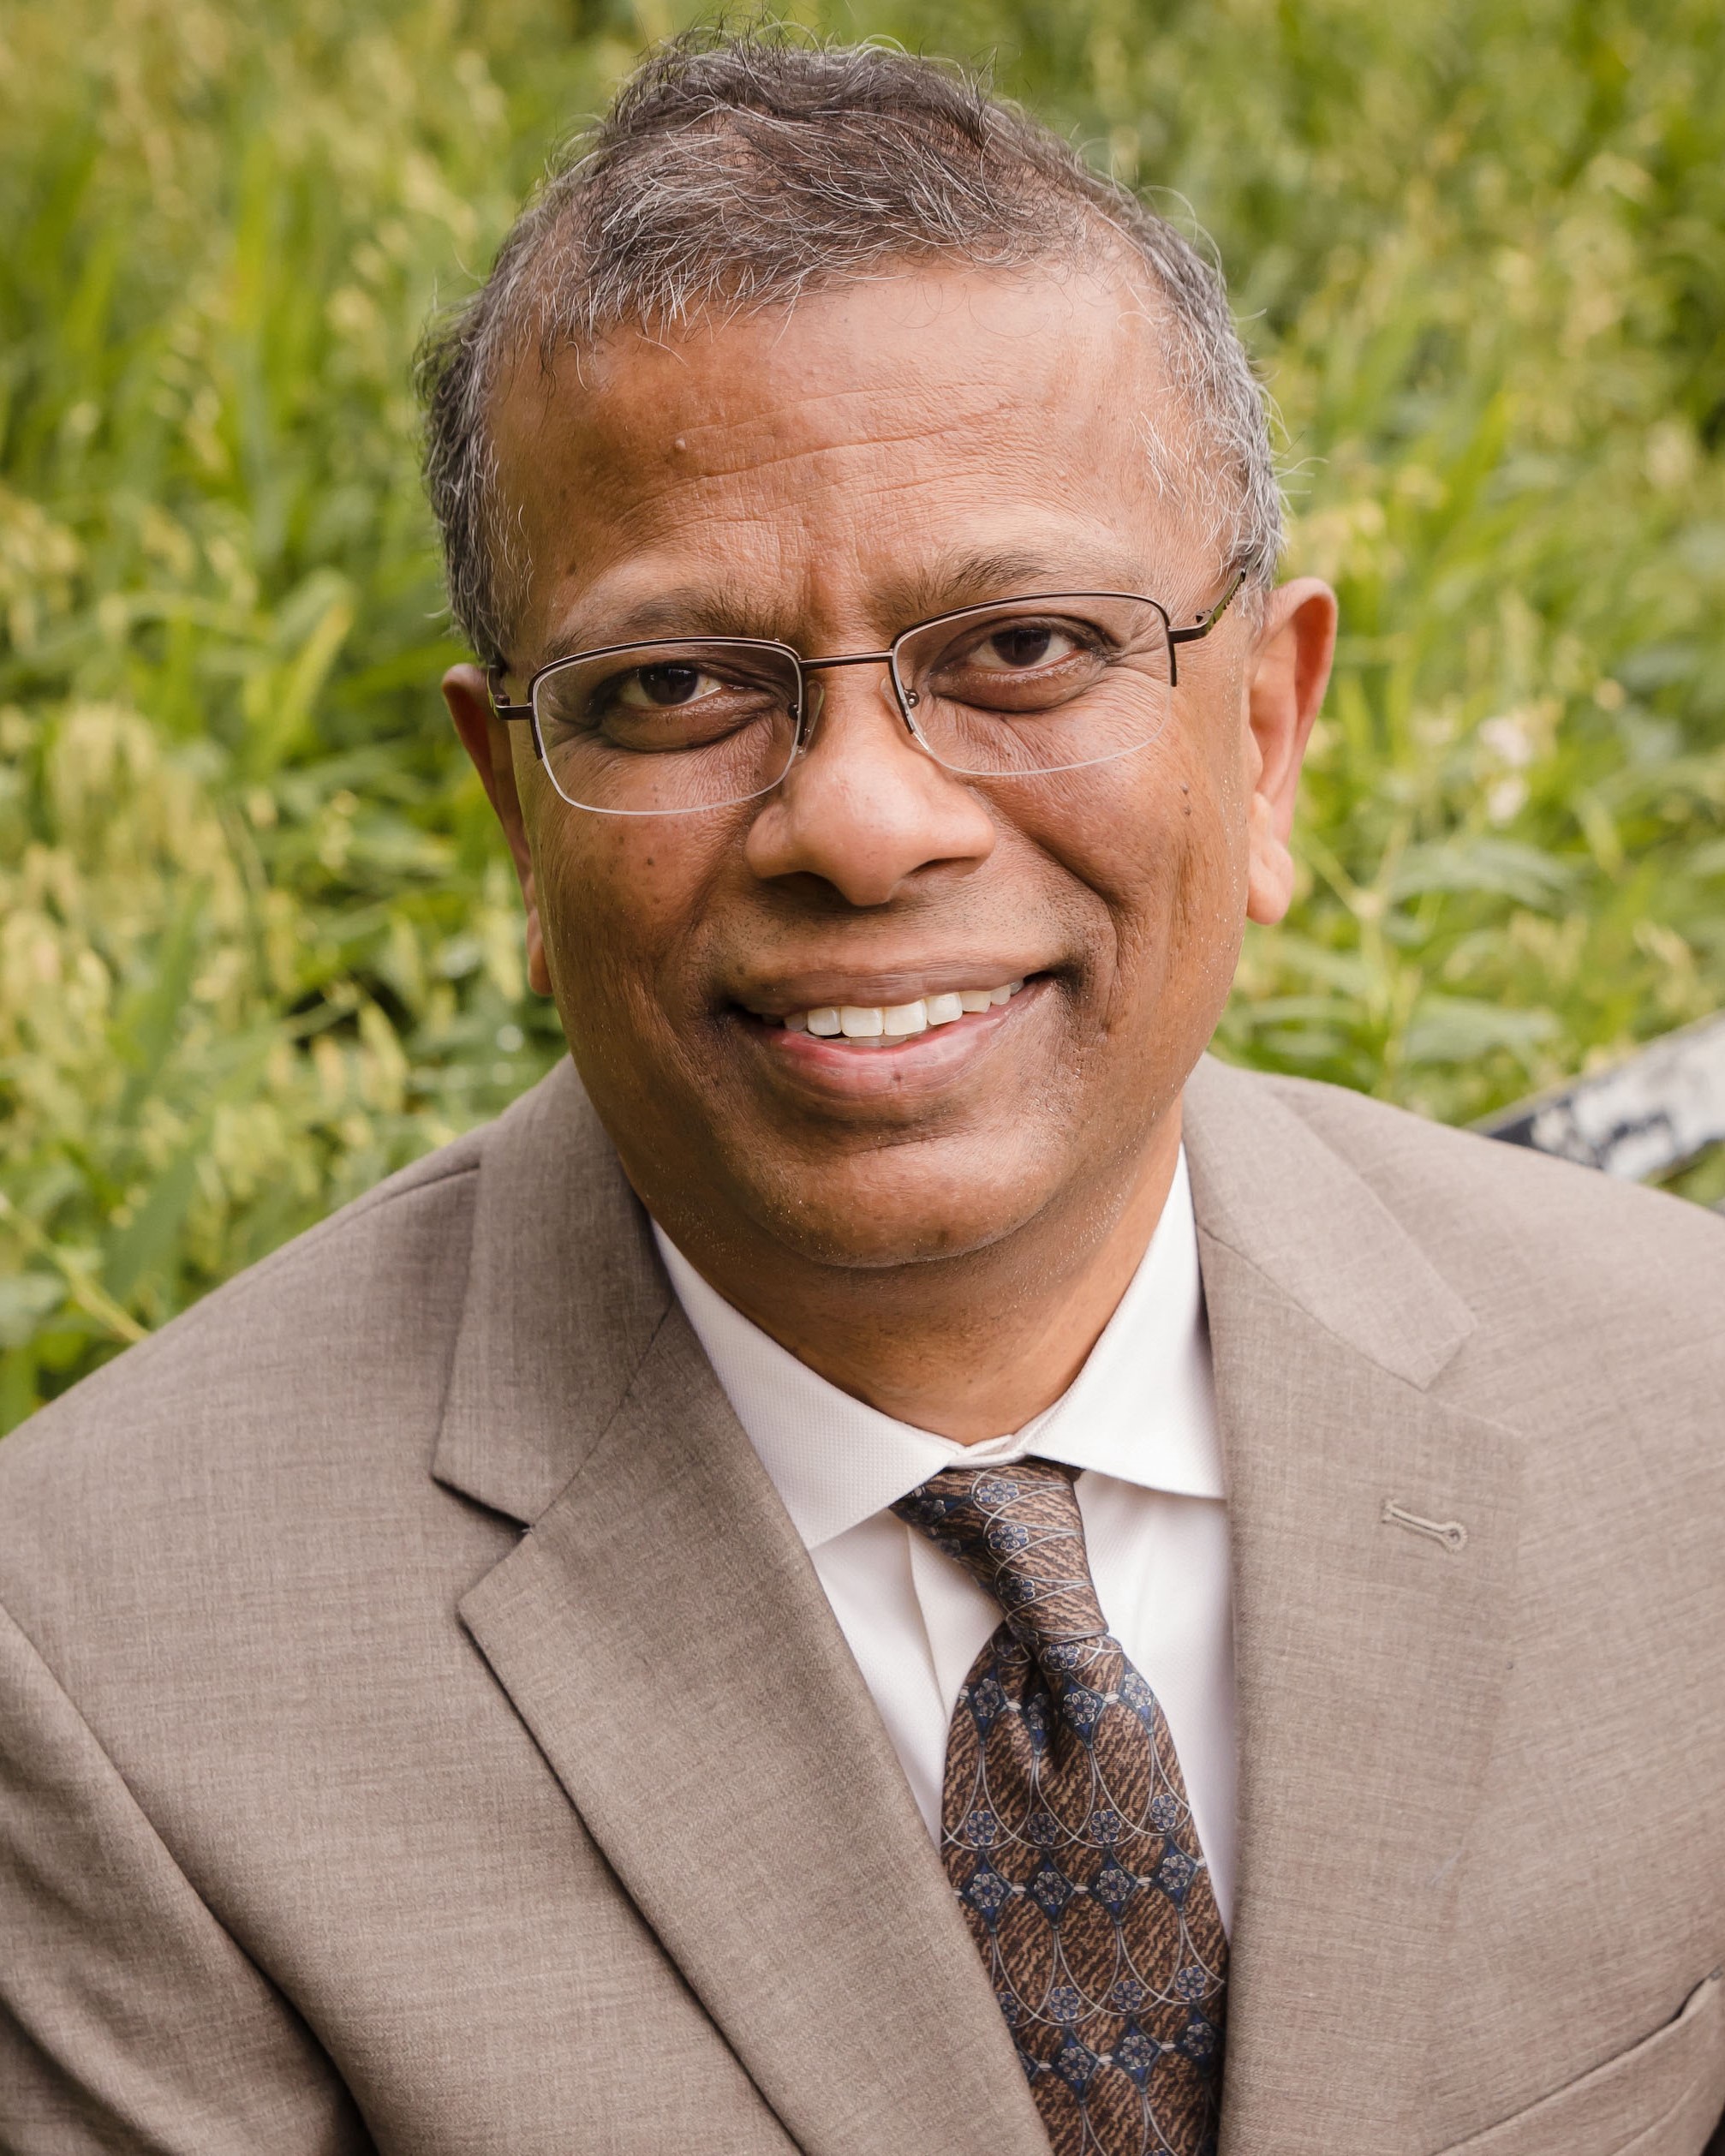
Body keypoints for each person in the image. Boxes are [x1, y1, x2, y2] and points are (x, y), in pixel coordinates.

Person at [2, 33, 1722, 2156]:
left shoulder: (1686, 1416)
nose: (861, 819)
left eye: (1020, 647)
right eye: (674, 686)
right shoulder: (96, 1667)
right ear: (512, 813)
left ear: (1264, 739)